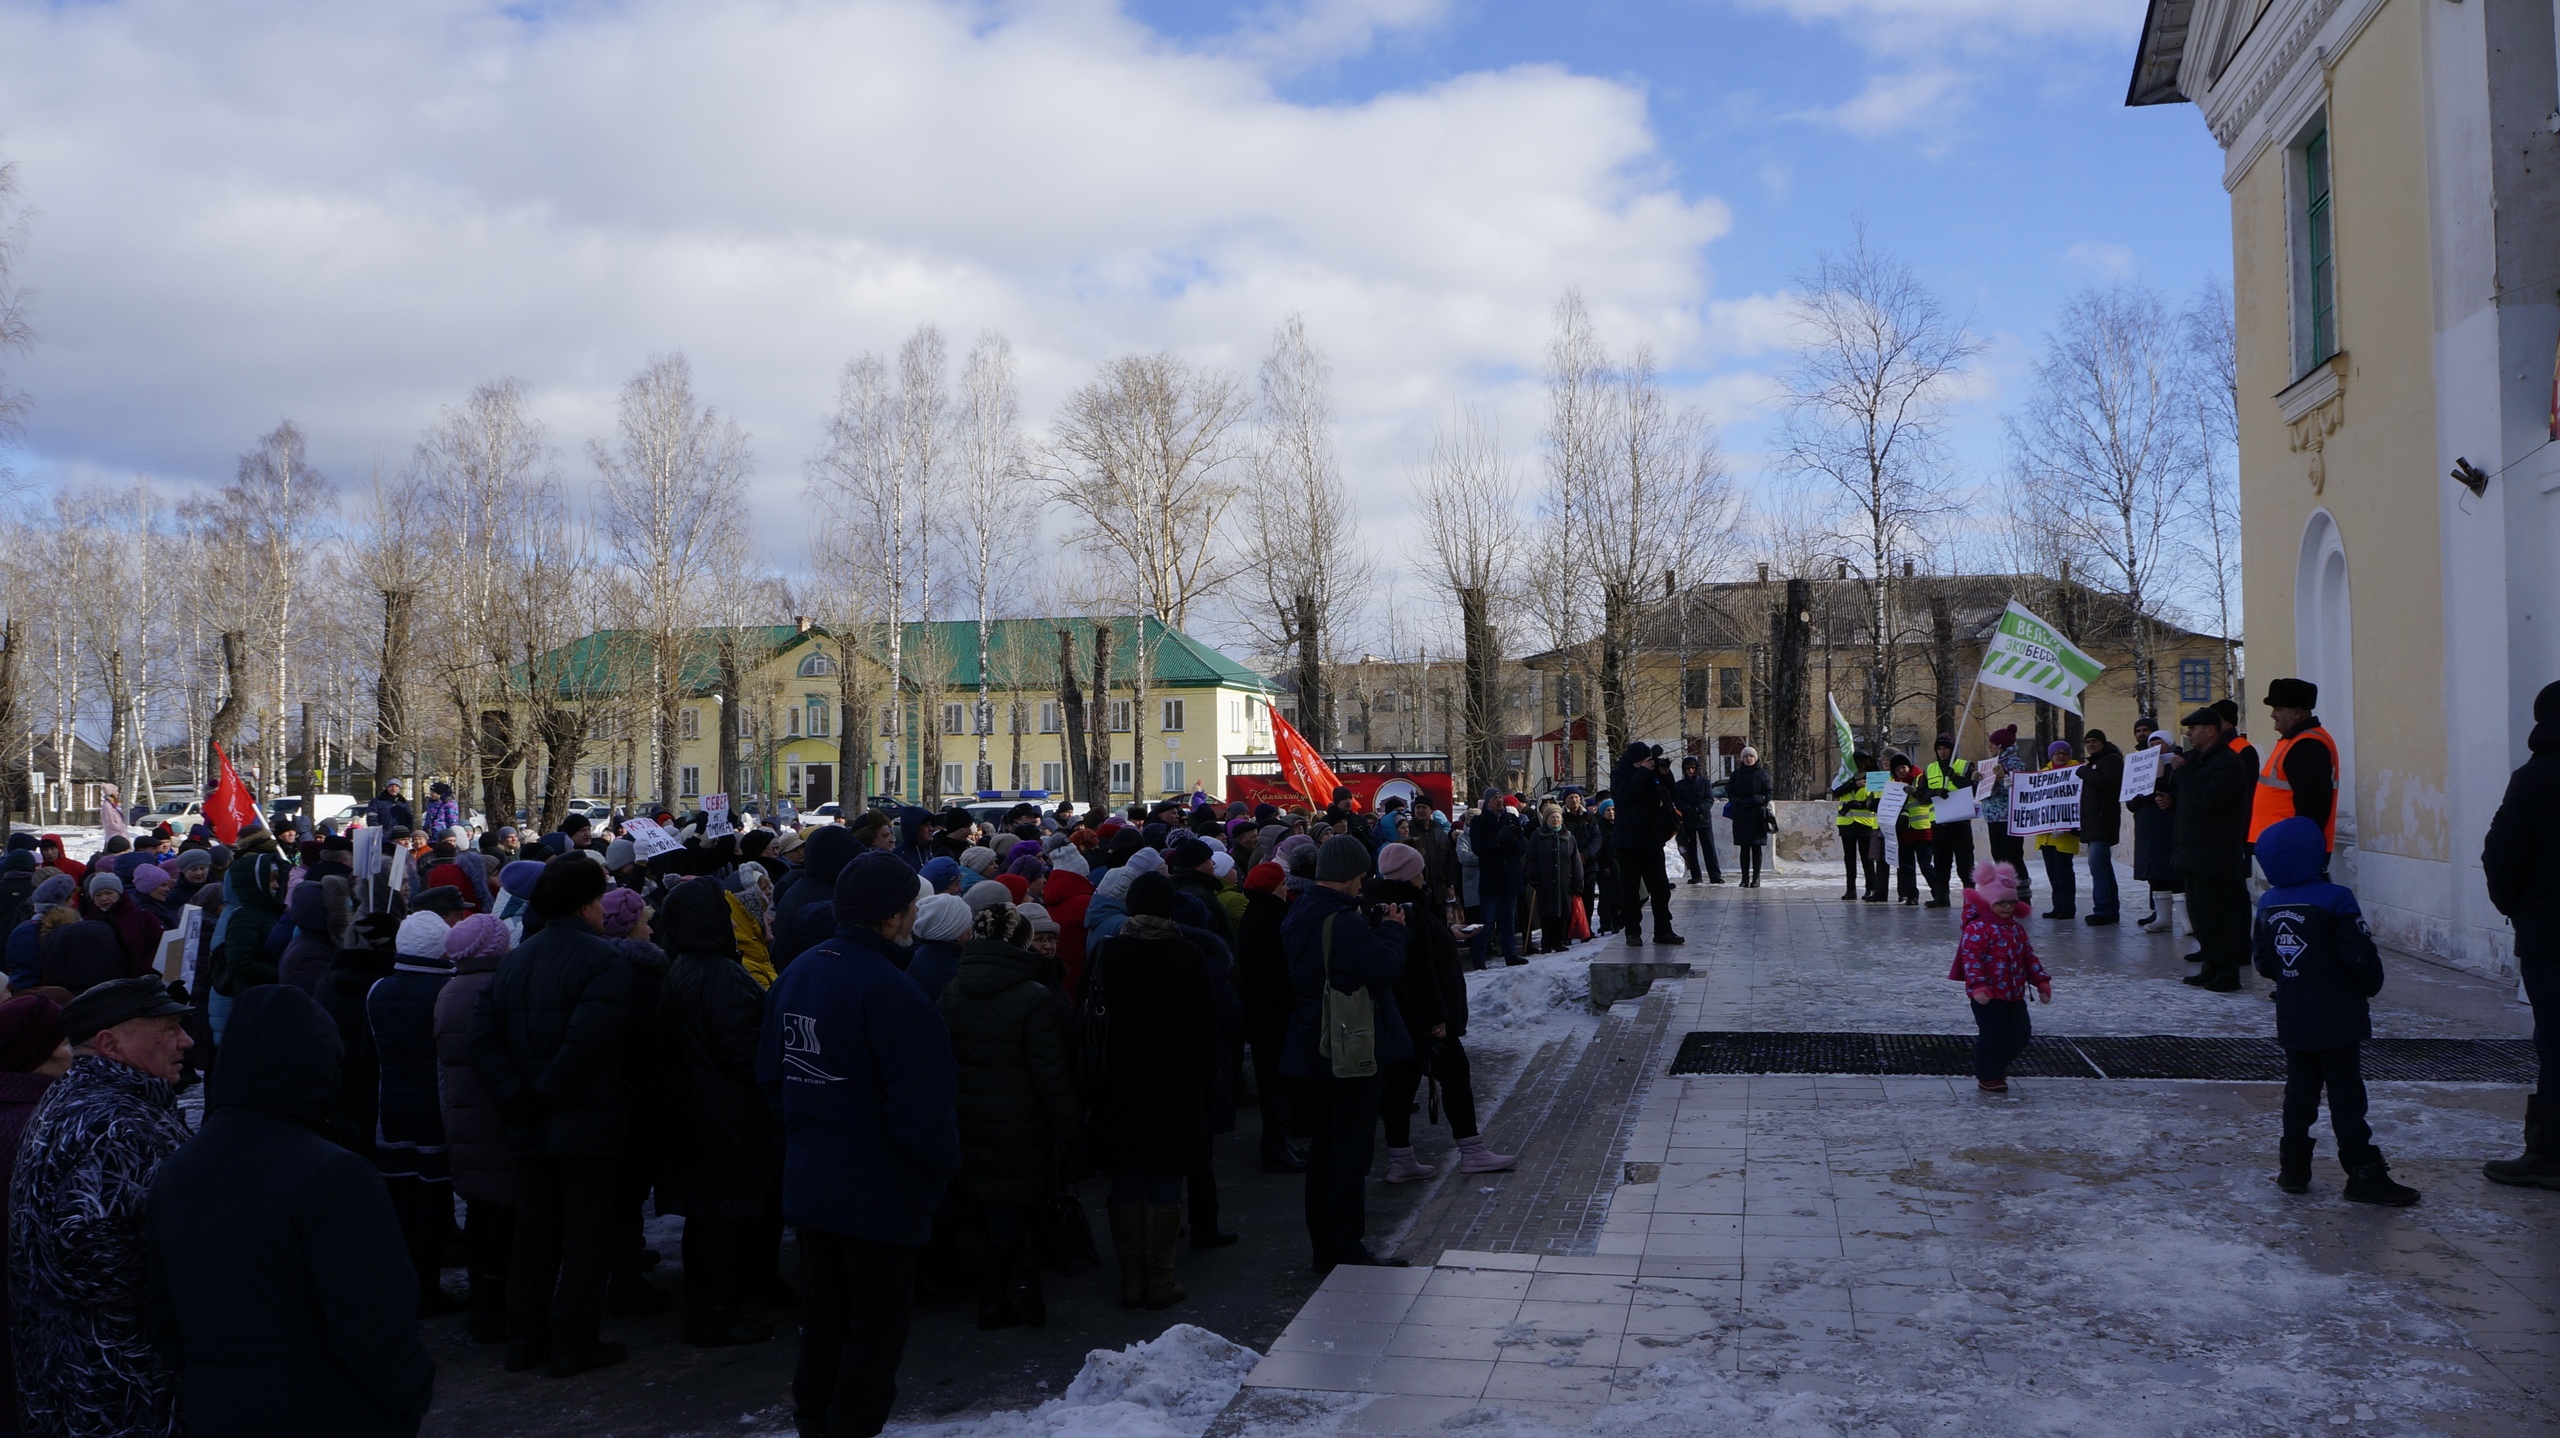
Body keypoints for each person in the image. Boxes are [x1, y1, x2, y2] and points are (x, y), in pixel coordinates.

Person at [145, 983, 436, 1435]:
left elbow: (162, 1314)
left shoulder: (178, 1170)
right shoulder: (332, 1174)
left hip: (217, 1407)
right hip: (327, 1406)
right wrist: (407, 1396)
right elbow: (374, 1320)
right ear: (317, 1062)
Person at [758, 851, 958, 1438]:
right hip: (878, 1189)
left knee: (824, 1315)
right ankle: (847, 1426)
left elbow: (773, 1078)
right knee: (874, 1327)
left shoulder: (799, 970)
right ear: (894, 917)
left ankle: (814, 1418)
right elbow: (921, 1109)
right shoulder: (894, 992)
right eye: (911, 907)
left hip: (816, 1180)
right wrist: (937, 1172)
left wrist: (812, 1131)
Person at [467, 855, 633, 1378]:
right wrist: (541, 1094)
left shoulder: (516, 959)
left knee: (534, 1234)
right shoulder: (603, 960)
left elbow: (483, 1036)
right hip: (581, 1122)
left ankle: (526, 1338)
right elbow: (588, 1042)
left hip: (530, 1121)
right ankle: (573, 1342)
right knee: (584, 1235)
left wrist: (515, 1096)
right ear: (587, 905)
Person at [10, 975, 195, 1438]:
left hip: (76, 1378)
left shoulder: (80, 1097)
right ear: (111, 1043)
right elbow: (104, 1272)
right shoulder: (116, 1125)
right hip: (118, 1392)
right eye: (168, 1028)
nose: (185, 1040)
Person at [2250, 817, 2418, 1205]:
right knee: (2346, 1094)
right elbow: (2358, 955)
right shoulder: (2336, 898)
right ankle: (2362, 1172)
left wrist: (2292, 978)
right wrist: (2369, 985)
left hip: (2293, 1013)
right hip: (2338, 1014)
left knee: (2300, 1092)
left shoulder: (2269, 902)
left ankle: (2293, 1169)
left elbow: (2263, 960)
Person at [936, 901, 1078, 1330]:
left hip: (969, 1116)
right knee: (1015, 1207)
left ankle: (996, 1295)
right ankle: (1005, 1295)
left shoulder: (952, 989)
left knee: (990, 1202)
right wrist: (1070, 1130)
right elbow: (1050, 1072)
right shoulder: (1032, 995)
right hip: (1020, 1121)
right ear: (1022, 941)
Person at [652, 877, 780, 1349]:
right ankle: (715, 1312)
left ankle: (722, 1302)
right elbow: (744, 1052)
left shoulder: (687, 965)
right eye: (723, 915)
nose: (733, 922)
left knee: (711, 1220)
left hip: (701, 1113)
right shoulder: (720, 975)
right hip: (723, 1119)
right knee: (719, 1223)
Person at [1280, 835, 1411, 1274]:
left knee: (1325, 1149)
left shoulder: (1300, 911)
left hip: (1314, 1043)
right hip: (1349, 1045)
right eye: (1361, 876)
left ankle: (1325, 1248)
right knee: (1350, 1153)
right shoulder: (1343, 921)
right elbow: (1384, 968)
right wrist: (1393, 930)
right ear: (1352, 875)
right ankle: (1348, 1248)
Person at [1085, 873, 1217, 1311]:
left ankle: (1131, 1279)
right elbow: (1207, 1026)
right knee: (1164, 1174)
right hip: (1174, 1083)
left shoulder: (1107, 952)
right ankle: (1159, 1280)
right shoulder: (1187, 955)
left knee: (1125, 1174)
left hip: (1116, 1082)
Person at [1373, 843, 1513, 1182]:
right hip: (1425, 1017)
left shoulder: (1386, 904)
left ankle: (1401, 1159)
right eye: (1419, 870)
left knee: (1401, 1084)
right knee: (1454, 1074)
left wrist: (1446, 934)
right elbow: (1418, 969)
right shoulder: (1408, 909)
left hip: (1402, 1016)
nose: (1423, 875)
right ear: (1409, 874)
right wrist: (1436, 1017)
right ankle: (1472, 1151)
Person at [2478, 679, 2560, 1190]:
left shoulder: (2535, 777)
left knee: (2556, 1042)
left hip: (2551, 935)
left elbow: (2501, 852)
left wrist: (2518, 908)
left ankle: (2549, 1154)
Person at [432, 913, 517, 1345]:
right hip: (498, 1118)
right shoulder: (497, 988)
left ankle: (485, 1305)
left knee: (483, 1215)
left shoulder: (449, 990)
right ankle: (501, 1310)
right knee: (505, 1219)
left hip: (465, 1119)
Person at [0, 995, 69, 1436]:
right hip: (36, 1332)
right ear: (38, 1052)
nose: (71, 1050)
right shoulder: (48, 1126)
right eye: (61, 1040)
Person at [2164, 704, 2257, 991]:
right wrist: (2172, 804)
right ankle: (2212, 966)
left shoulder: (2228, 762)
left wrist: (2182, 774)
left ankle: (2227, 972)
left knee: (2217, 915)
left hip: (2214, 851)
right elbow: (2194, 803)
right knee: (2201, 915)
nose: (2189, 735)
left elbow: (2209, 801)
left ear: (2211, 730)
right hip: (2194, 849)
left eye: (2193, 729)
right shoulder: (2203, 760)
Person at [1947, 862, 2050, 1094]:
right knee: (1994, 1035)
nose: (2006, 908)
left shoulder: (2016, 929)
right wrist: (1978, 986)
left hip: (2014, 994)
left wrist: (2041, 981)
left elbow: (2028, 957)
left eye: (2011, 903)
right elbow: (1971, 959)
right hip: (1988, 995)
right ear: (1987, 902)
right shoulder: (1978, 929)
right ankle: (1989, 1074)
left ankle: (1995, 1065)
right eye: (2001, 903)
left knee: (2021, 1034)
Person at [1232, 863, 1302, 1173]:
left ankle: (1278, 1142)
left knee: (1272, 1078)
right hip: (1272, 1013)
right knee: (1276, 1080)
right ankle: (1274, 1147)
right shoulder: (1273, 916)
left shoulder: (1256, 913)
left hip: (1261, 1012)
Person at [2250, 678, 2339, 874]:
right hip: (2286, 844)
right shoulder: (2297, 742)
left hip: (2293, 848)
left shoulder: (2307, 745)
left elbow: (2313, 805)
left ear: (2298, 712)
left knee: (2300, 900)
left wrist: (2303, 846)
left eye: (2278, 708)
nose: (2273, 714)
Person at [1609, 745, 1683, 945]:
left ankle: (1663, 931)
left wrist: (1666, 774)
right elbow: (1626, 795)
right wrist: (1643, 772)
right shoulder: (1620, 774)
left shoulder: (1651, 774)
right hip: (1627, 842)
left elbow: (1672, 796)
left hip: (1651, 840)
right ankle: (1632, 932)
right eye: (1643, 761)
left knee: (1660, 889)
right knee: (1631, 890)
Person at [2126, 722, 2180, 933]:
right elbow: (2130, 800)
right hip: (2148, 827)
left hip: (2169, 825)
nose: (2155, 746)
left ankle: (2187, 920)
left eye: (2159, 742)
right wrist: (2141, 797)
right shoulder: (2138, 766)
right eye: (2152, 743)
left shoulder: (2177, 763)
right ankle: (2162, 917)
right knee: (2154, 873)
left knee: (2174, 873)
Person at [1466, 789, 1524, 966]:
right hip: (1491, 878)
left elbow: (1522, 847)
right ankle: (1479, 957)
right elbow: (1478, 848)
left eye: (1500, 797)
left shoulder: (1511, 819)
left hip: (1510, 877)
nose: (1499, 801)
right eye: (1494, 798)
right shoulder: (1479, 821)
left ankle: (1510, 954)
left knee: (1508, 920)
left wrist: (1513, 841)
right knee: (1487, 920)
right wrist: (1498, 840)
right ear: (1487, 802)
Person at [1979, 726, 2034, 907]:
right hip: (1994, 816)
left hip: (2009, 817)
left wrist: (2004, 778)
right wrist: (1978, 780)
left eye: (1992, 744)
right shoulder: (1992, 763)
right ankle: (2006, 892)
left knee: (2012, 856)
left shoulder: (2014, 763)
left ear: (2001, 745)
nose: (1990, 748)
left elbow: (2019, 789)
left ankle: (2022, 894)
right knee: (2000, 856)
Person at [2077, 728, 2124, 926]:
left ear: (2103, 742)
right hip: (2095, 822)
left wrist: (2084, 771)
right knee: (2102, 866)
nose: (2090, 745)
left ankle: (2103, 909)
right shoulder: (2096, 762)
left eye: (2094, 741)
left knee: (2097, 864)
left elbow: (2107, 782)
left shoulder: (2111, 760)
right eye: (2087, 742)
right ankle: (2109, 908)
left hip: (2103, 821)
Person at [1523, 802, 1583, 955]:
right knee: (1546, 912)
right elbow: (1530, 857)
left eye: (1557, 817)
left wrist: (1578, 881)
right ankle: (1546, 943)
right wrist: (1533, 876)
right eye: (1552, 817)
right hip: (1545, 880)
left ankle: (1559, 941)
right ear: (1546, 819)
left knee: (1563, 911)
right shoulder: (1537, 835)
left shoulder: (1568, 837)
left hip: (1564, 881)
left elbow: (1575, 860)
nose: (1555, 820)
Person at [2032, 741, 2082, 921]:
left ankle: (2067, 908)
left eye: (2064, 753)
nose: (2061, 756)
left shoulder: (2076, 772)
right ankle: (2057, 906)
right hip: (2045, 835)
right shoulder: (2042, 774)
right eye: (2057, 753)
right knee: (2053, 873)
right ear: (2051, 756)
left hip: (2064, 836)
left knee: (2064, 873)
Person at [1923, 735, 1977, 898]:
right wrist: (1935, 793)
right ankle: (1942, 897)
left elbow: (1974, 789)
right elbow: (1921, 795)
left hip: (1960, 821)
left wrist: (1954, 777)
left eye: (1945, 748)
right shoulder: (1929, 769)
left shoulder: (1965, 766)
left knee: (1965, 862)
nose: (1942, 752)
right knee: (1941, 863)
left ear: (1952, 750)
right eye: (1939, 749)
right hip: (1939, 823)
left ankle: (1971, 896)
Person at [1833, 754, 1883, 902]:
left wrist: (1861, 805)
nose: (1862, 765)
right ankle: (1850, 889)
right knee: (1849, 858)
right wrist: (1855, 784)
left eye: (1865, 762)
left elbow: (1877, 800)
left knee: (1867, 858)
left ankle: (1871, 888)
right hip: (1846, 822)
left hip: (1865, 822)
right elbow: (1836, 791)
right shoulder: (1844, 777)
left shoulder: (1873, 777)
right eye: (1859, 762)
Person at [1726, 747, 1773, 889]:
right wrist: (1737, 802)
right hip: (1741, 815)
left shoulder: (1763, 774)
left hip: (1757, 816)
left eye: (1751, 756)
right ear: (1742, 759)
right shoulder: (1736, 775)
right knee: (1744, 848)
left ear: (1756, 758)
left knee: (1756, 848)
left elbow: (1768, 793)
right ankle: (1744, 878)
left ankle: (1756, 878)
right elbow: (1730, 791)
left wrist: (1754, 800)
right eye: (1746, 756)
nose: (1749, 759)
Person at [1671, 757, 1722, 885]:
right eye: (1688, 768)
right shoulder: (1680, 785)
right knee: (1691, 849)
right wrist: (1688, 810)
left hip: (1703, 819)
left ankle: (1715, 876)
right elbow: (1677, 801)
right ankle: (1696, 876)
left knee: (1709, 848)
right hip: (1688, 820)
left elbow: (1709, 799)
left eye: (1693, 768)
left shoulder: (1704, 783)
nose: (1691, 770)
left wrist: (1699, 809)